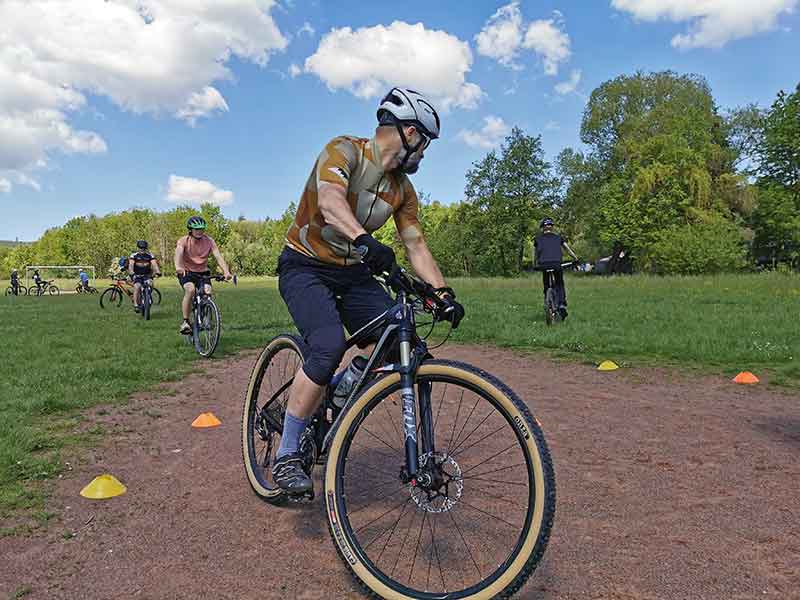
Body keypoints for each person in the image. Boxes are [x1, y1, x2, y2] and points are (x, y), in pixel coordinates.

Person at [271, 87, 465, 496]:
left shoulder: (402, 191)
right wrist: (364, 240)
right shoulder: (345, 151)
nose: (424, 154)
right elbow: (330, 203)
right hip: (305, 265)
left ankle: (342, 388)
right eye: (425, 143)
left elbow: (415, 244)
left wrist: (442, 293)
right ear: (409, 133)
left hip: (353, 273)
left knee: (402, 342)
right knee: (327, 345)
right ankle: (286, 454)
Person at [174, 216, 232, 334]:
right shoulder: (183, 240)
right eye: (196, 229)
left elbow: (218, 256)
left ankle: (205, 316)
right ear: (190, 230)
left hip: (203, 272)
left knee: (207, 291)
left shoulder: (209, 241)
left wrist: (226, 271)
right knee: (190, 290)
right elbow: (178, 254)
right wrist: (178, 267)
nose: (199, 231)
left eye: (201, 229)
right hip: (187, 272)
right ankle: (185, 322)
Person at [533, 217, 578, 319]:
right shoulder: (558, 238)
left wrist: (534, 264)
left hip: (543, 264)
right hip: (556, 264)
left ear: (542, 227)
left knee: (546, 283)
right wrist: (575, 259)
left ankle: (547, 298)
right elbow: (567, 249)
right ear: (552, 227)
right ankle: (561, 304)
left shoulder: (537, 239)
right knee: (559, 284)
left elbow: (536, 254)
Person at [128, 240, 160, 311]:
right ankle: (136, 305)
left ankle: (147, 297)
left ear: (146, 248)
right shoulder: (134, 255)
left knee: (150, 284)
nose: (142, 250)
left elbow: (154, 264)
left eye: (144, 248)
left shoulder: (150, 255)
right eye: (141, 248)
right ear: (138, 248)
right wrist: (132, 273)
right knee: (137, 286)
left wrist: (158, 271)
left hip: (147, 275)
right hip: (137, 275)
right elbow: (131, 265)